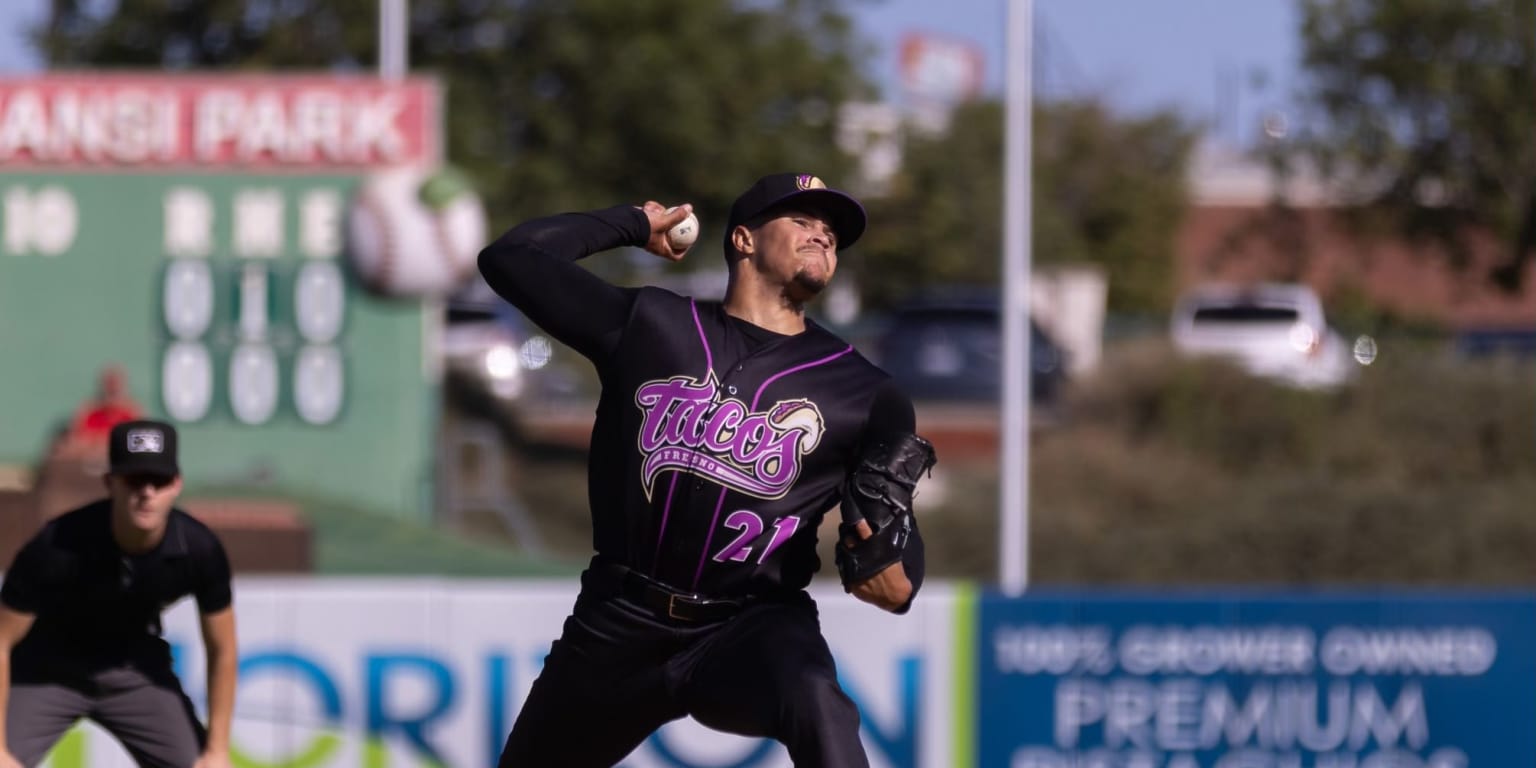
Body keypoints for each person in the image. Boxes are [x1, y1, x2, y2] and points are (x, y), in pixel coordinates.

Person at [478, 172, 937, 767]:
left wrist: (897, 575)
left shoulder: (866, 393)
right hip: (619, 623)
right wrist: (634, 223)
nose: (822, 236)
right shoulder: (651, 326)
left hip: (749, 627)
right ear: (743, 240)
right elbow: (512, 258)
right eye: (801, 221)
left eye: (831, 232)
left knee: (816, 700)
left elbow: (894, 538)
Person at [0, 420, 236, 768]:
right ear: (110, 483)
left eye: (159, 481)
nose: (147, 493)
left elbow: (224, 649)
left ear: (176, 484)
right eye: (135, 480)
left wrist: (217, 751)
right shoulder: (56, 545)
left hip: (135, 672)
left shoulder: (199, 549)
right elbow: (1, 641)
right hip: (45, 670)